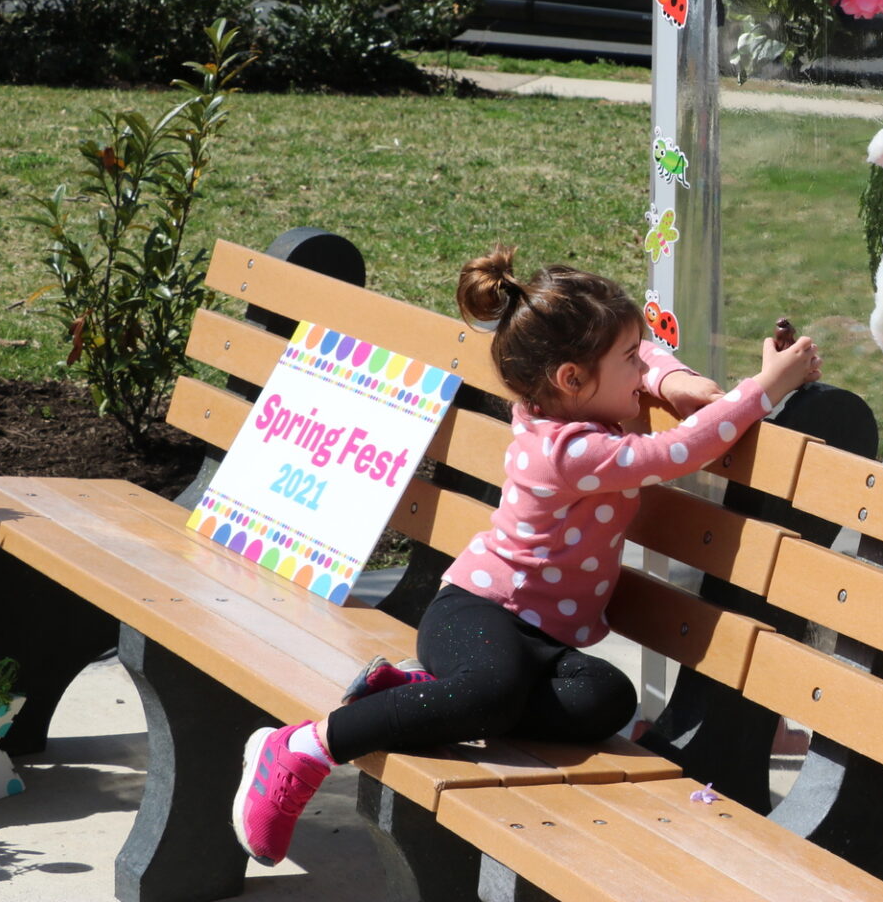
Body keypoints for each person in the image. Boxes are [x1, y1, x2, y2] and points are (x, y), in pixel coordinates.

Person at [232, 246, 821, 866]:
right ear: (572, 378)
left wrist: (667, 377)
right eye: (623, 362)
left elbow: (643, 351)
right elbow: (679, 452)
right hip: (479, 613)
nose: (636, 369)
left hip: (535, 645)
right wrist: (765, 389)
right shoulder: (568, 451)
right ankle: (306, 747)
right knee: (492, 693)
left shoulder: (569, 403)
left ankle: (425, 694)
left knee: (606, 700)